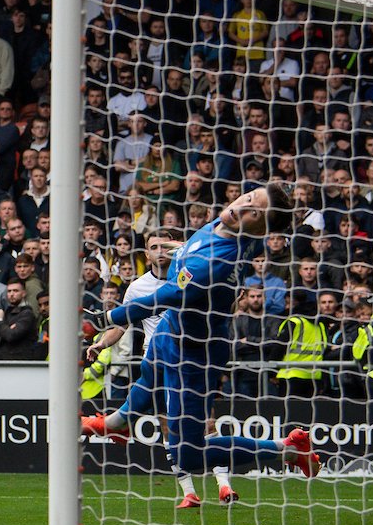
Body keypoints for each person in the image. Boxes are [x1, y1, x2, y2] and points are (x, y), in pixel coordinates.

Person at [83, 183, 320, 507]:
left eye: (254, 211)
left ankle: (288, 450)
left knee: (189, 455)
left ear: (259, 227)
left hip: (195, 355)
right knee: (149, 376)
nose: (243, 205)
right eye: (249, 197)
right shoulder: (225, 224)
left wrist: (106, 318)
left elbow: (165, 297)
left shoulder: (216, 263)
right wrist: (176, 247)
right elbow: (190, 254)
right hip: (171, 329)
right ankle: (115, 424)